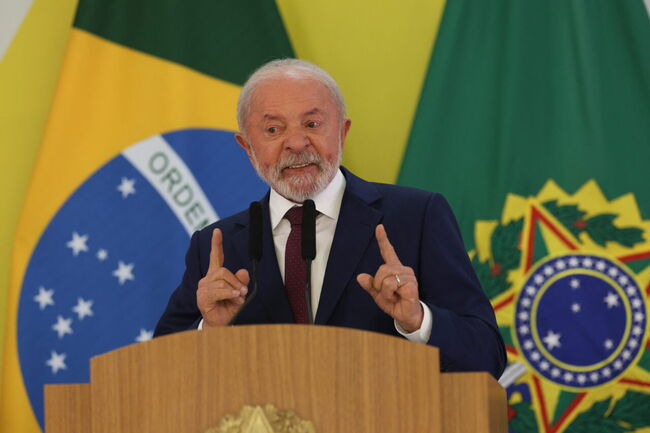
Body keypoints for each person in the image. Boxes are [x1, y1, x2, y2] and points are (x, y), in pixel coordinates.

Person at [154, 59, 506, 379]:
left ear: (342, 132)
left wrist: (418, 320)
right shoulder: (216, 246)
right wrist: (210, 332)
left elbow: (486, 356)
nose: (296, 143)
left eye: (312, 123)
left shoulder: (416, 217)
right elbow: (156, 375)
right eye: (273, 130)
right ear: (247, 147)